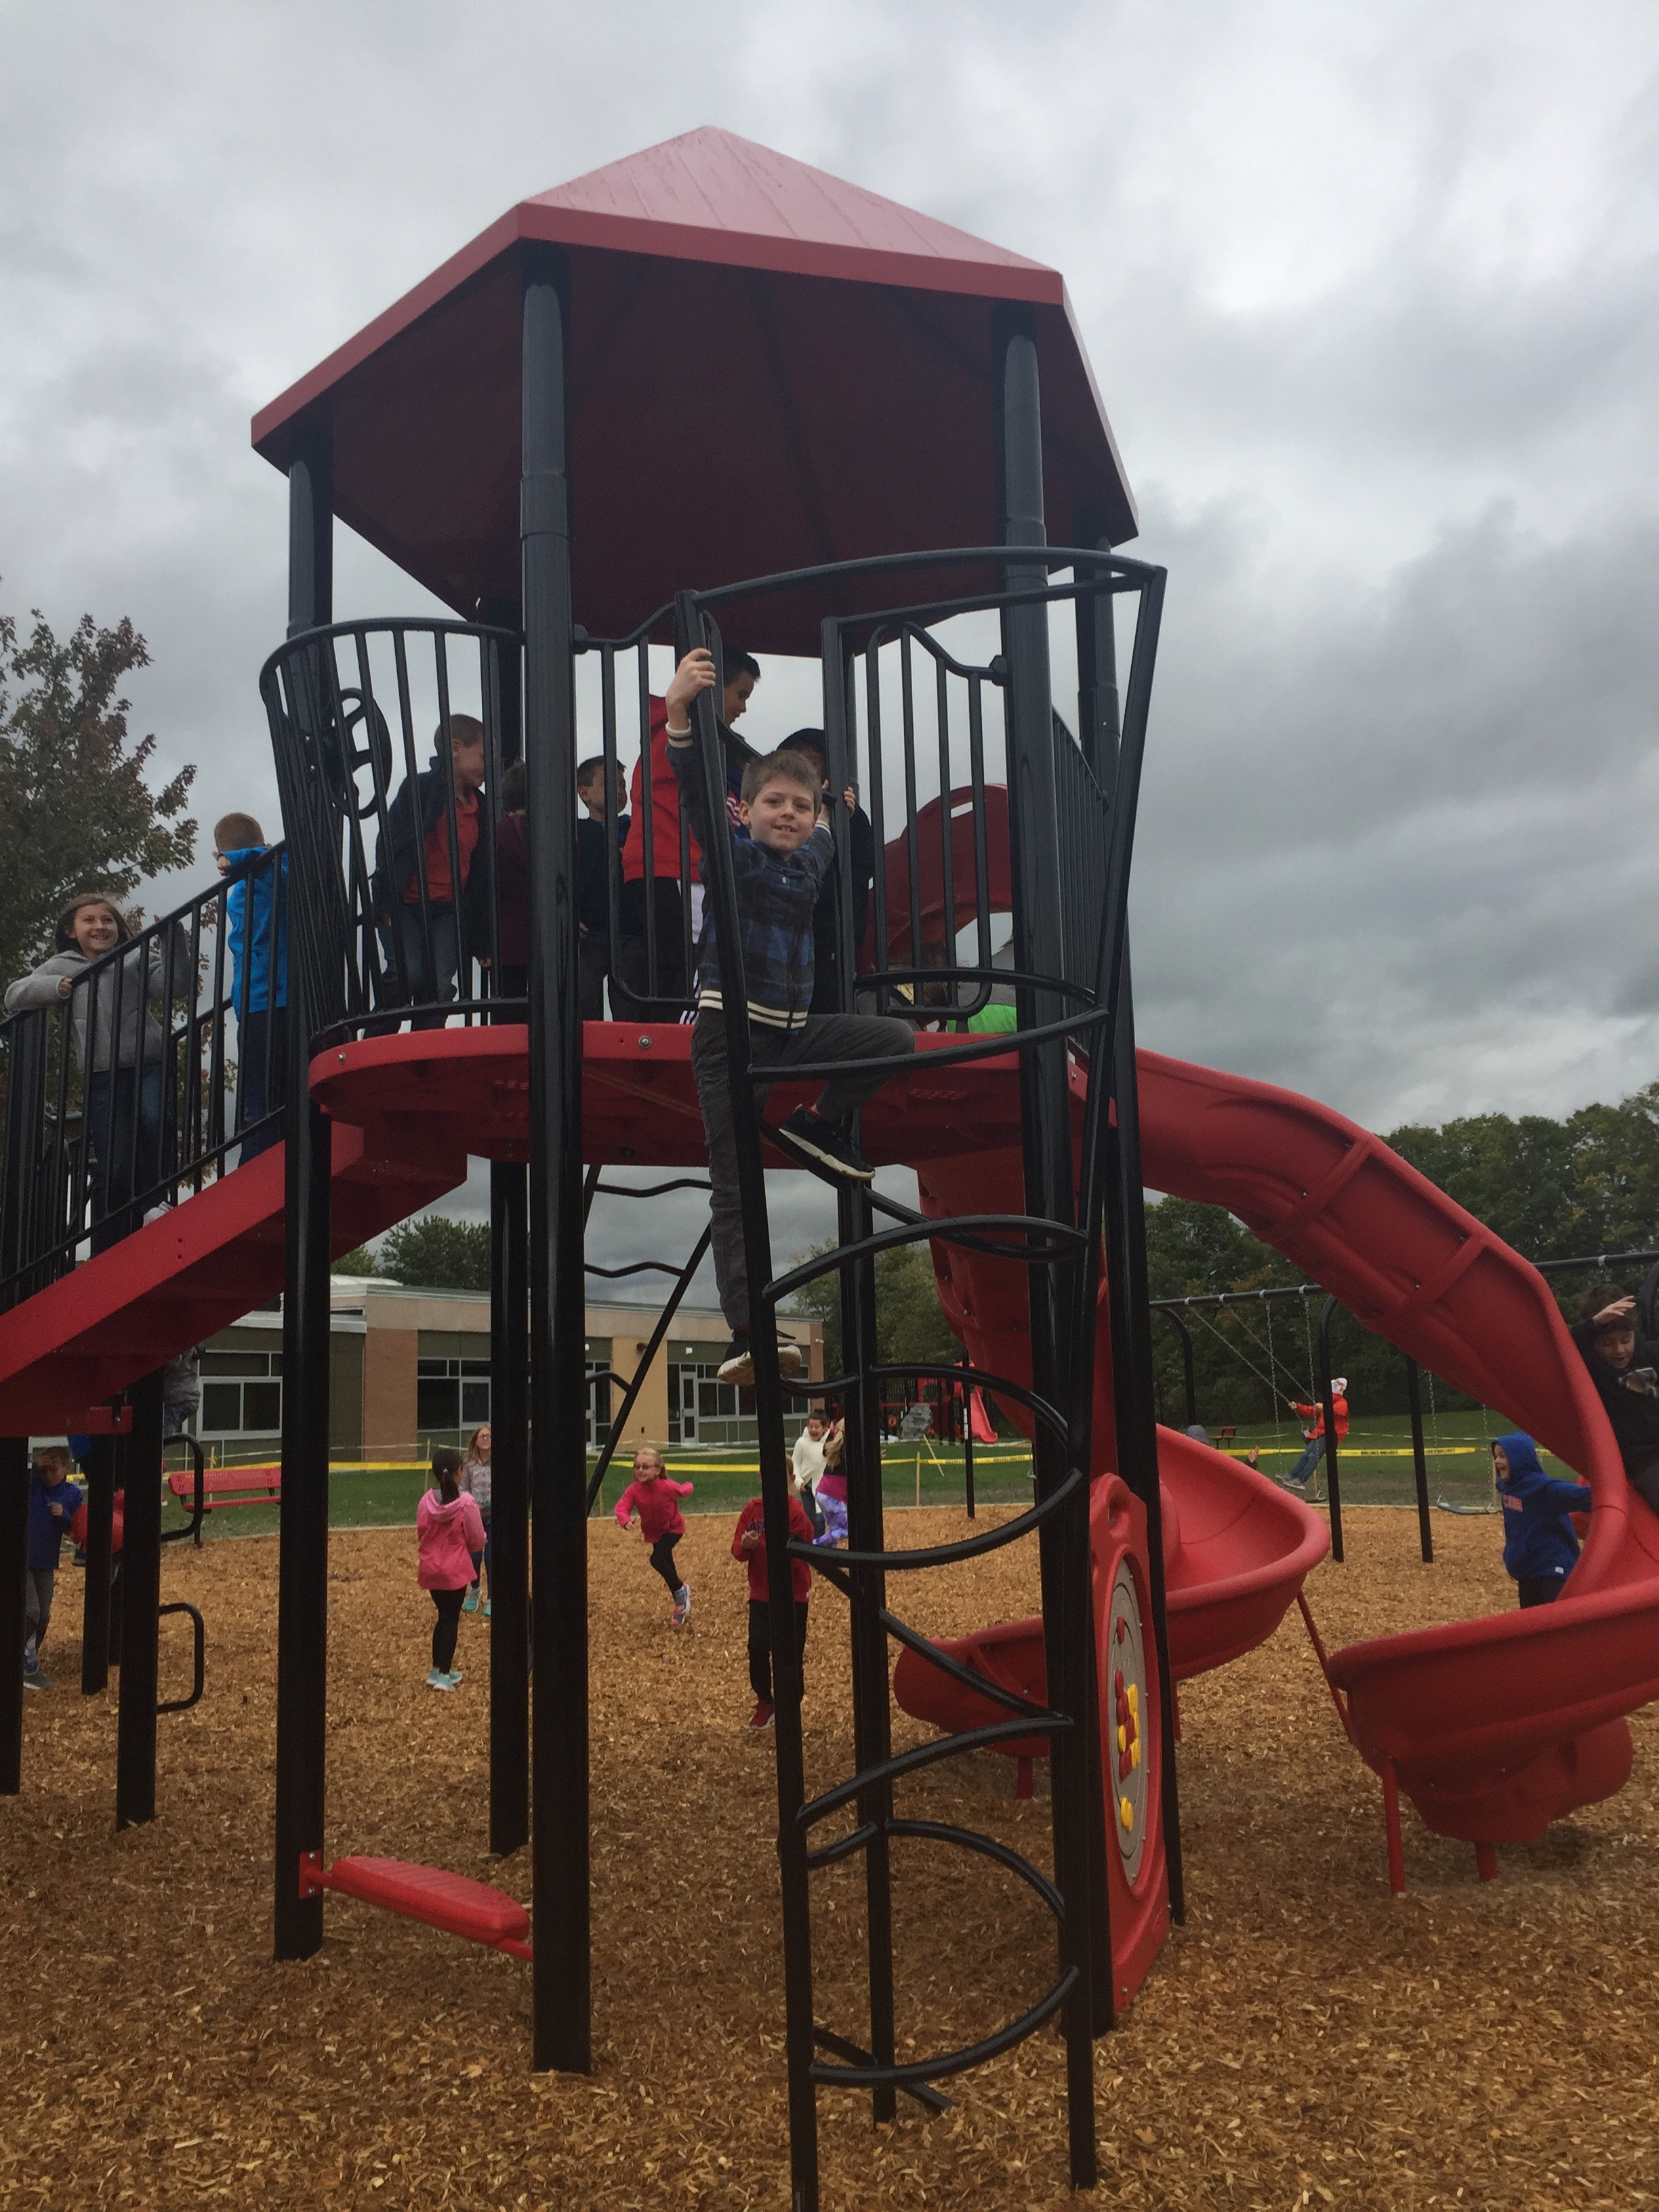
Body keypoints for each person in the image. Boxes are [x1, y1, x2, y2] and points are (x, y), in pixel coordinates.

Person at [666, 648, 916, 1385]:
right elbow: (697, 794)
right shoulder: (733, 857)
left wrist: (839, 805)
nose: (788, 814)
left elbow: (835, 828)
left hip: (791, 1032)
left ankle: (819, 1123)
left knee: (893, 1037)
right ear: (748, 811)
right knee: (736, 1179)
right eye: (774, 803)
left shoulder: (812, 858)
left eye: (800, 807)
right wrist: (680, 717)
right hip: (729, 1036)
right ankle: (748, 1331)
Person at [5, 893, 180, 1252]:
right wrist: (54, 987)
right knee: (115, 1156)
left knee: (153, 1121)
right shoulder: (63, 965)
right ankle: (114, 1236)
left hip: (148, 1061)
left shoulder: (136, 955)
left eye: (108, 920)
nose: (100, 926)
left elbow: (175, 986)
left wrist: (171, 938)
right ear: (72, 931)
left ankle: (154, 1203)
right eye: (90, 920)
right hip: (102, 1073)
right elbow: (14, 995)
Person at [614, 649, 760, 1015]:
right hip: (678, 861)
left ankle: (664, 1024)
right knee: (695, 957)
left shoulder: (666, 732)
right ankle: (684, 1031)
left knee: (668, 957)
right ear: (712, 685)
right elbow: (696, 792)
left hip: (659, 861)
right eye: (740, 694)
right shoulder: (684, 732)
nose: (743, 708)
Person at [372, 714, 489, 1028]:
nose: (488, 765)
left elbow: (482, 872)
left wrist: (482, 938)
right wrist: (384, 900)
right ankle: (379, 1040)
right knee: (407, 973)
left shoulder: (482, 807)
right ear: (455, 749)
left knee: (438, 983)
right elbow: (391, 843)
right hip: (405, 903)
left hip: (449, 909)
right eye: (482, 756)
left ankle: (424, 1050)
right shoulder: (422, 788)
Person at [777, 730, 875, 1015]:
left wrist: (844, 817)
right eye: (793, 760)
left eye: (811, 761)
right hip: (781, 939)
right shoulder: (774, 815)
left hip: (829, 944)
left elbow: (856, 880)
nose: (801, 768)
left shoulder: (851, 818)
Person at [214, 813, 288, 1160]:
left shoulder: (268, 869)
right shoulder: (260, 876)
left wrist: (237, 858)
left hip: (266, 997)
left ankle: (259, 1168)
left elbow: (269, 860)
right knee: (266, 1098)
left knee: (260, 1101)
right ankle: (264, 1166)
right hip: (263, 997)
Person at [732, 1487, 816, 1730]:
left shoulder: (795, 1512)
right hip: (761, 1593)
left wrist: (761, 1546)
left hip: (793, 1594)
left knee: (791, 1653)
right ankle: (765, 1700)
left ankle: (790, 1705)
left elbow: (802, 1552)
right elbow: (737, 1550)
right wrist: (746, 1546)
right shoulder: (752, 1510)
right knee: (757, 1648)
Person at [1569, 1284, 1659, 1513]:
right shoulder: (1590, 1368)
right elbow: (1563, 1347)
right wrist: (1594, 1324)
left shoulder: (1649, 1354)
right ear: (1594, 1342)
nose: (1619, 1350)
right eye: (1608, 1343)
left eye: (1626, 1340)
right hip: (1641, 1458)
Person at [1491, 1431, 1593, 1608]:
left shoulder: (1545, 1489)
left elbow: (1586, 1497)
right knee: (1531, 1620)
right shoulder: (1509, 1488)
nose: (1497, 1461)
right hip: (1528, 1569)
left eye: (1503, 1456)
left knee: (1556, 1619)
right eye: (1496, 1456)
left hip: (1552, 1570)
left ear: (1519, 1458)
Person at [415, 1447, 487, 1691]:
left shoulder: (425, 1501)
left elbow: (421, 1532)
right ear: (459, 1473)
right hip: (454, 1571)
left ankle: (437, 1669)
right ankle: (444, 1676)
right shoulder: (466, 1503)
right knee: (450, 1620)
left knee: (443, 1616)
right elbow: (476, 1538)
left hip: (431, 1569)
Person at [574, 754, 631, 1021]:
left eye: (623, 785)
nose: (619, 790)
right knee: (584, 1004)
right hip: (589, 933)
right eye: (610, 783)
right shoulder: (575, 832)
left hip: (630, 932)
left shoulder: (633, 829)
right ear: (584, 793)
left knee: (630, 1007)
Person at [612, 1446, 694, 1625]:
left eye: (645, 1467)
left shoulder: (667, 1487)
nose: (640, 1470)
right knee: (668, 1566)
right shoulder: (634, 1490)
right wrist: (625, 1520)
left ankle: (681, 1591)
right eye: (637, 1467)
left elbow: (684, 1490)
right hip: (654, 1533)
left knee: (657, 1559)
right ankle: (681, 1604)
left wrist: (689, 1487)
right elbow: (621, 1507)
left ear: (657, 1470)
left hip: (673, 1529)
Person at [24, 1445, 83, 1690]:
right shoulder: (34, 1486)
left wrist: (64, 1515)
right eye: (45, 1470)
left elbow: (75, 1531)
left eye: (54, 1470)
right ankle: (25, 1664)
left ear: (67, 1468)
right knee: (31, 1610)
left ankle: (28, 1659)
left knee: (44, 1615)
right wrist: (35, 1466)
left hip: (46, 1561)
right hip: (22, 1558)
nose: (48, 1475)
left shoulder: (72, 1494)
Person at [1284, 1378, 1348, 1490]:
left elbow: (1336, 1411)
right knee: (1306, 1454)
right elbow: (1311, 1411)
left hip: (1330, 1435)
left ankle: (1300, 1480)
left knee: (1314, 1456)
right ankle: (1292, 1475)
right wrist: (1298, 1407)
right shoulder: (1328, 1403)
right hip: (1320, 1434)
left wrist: (1324, 1408)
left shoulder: (1342, 1403)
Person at [459, 1422, 493, 1617]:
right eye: (482, 1436)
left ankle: (492, 1597)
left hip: (493, 1517)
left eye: (489, 1436)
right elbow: (462, 1488)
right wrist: (471, 1503)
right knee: (474, 1557)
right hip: (474, 1519)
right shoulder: (469, 1466)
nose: (486, 1439)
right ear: (476, 1441)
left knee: (491, 1558)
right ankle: (475, 1589)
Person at [811, 1416, 848, 1547]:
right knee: (846, 1529)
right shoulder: (845, 1448)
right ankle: (814, 1544)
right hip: (832, 1496)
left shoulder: (837, 1445)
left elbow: (824, 1451)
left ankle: (831, 1555)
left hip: (823, 1493)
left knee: (835, 1530)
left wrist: (833, 1432)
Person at [161, 1346, 201, 1441]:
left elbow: (173, 1363)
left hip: (179, 1397)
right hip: (188, 1396)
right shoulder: (191, 1345)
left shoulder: (179, 1343)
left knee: (162, 1432)